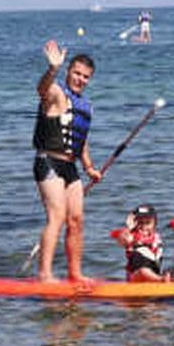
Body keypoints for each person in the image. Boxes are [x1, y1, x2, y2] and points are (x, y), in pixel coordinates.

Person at [32, 39, 102, 283]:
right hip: (48, 161)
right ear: (69, 71)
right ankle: (45, 274)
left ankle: (75, 274)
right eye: (76, 73)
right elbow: (42, 89)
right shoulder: (57, 92)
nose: (80, 79)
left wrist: (90, 167)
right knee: (57, 216)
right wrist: (53, 69)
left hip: (70, 166)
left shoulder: (86, 106)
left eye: (85, 76)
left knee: (76, 220)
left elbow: (81, 140)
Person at [110, 204, 171, 282]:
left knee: (171, 270)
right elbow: (122, 240)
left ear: (155, 224)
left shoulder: (156, 237)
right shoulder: (132, 236)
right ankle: (160, 279)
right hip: (135, 277)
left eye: (148, 223)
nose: (144, 226)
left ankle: (163, 279)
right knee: (143, 271)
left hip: (154, 273)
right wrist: (129, 228)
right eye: (140, 223)